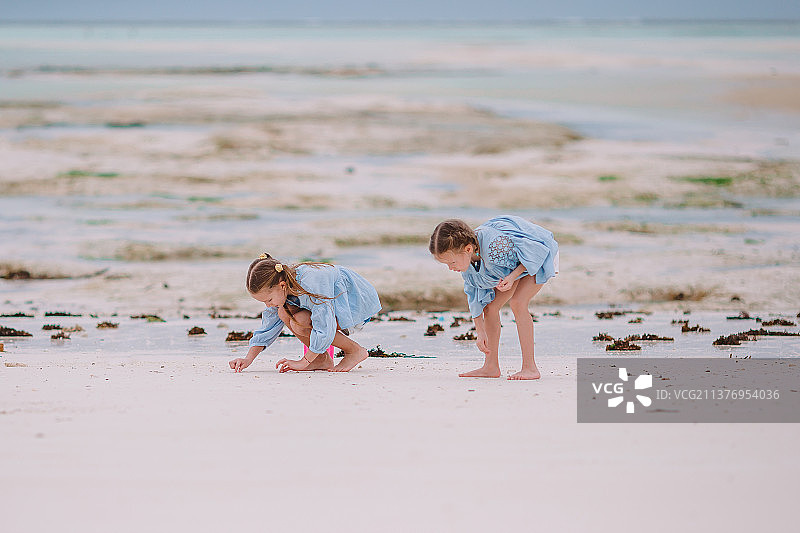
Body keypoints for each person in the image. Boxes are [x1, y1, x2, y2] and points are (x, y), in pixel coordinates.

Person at [429, 216, 559, 380]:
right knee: (490, 307)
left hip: (538, 254)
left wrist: (512, 277)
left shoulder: (496, 247)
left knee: (518, 303)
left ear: (468, 249)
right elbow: (474, 294)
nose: (450, 268)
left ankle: (530, 368)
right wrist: (480, 331)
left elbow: (535, 253)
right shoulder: (468, 262)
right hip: (512, 265)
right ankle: (491, 366)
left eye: (452, 262)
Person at [229, 253, 381, 373]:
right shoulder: (282, 290)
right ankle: (321, 359)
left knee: (300, 320)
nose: (268, 305)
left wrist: (304, 362)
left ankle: (355, 351)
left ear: (281, 285)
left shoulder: (311, 283)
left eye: (269, 300)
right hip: (336, 305)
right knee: (284, 314)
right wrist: (248, 359)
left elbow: (324, 325)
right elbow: (268, 327)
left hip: (355, 303)